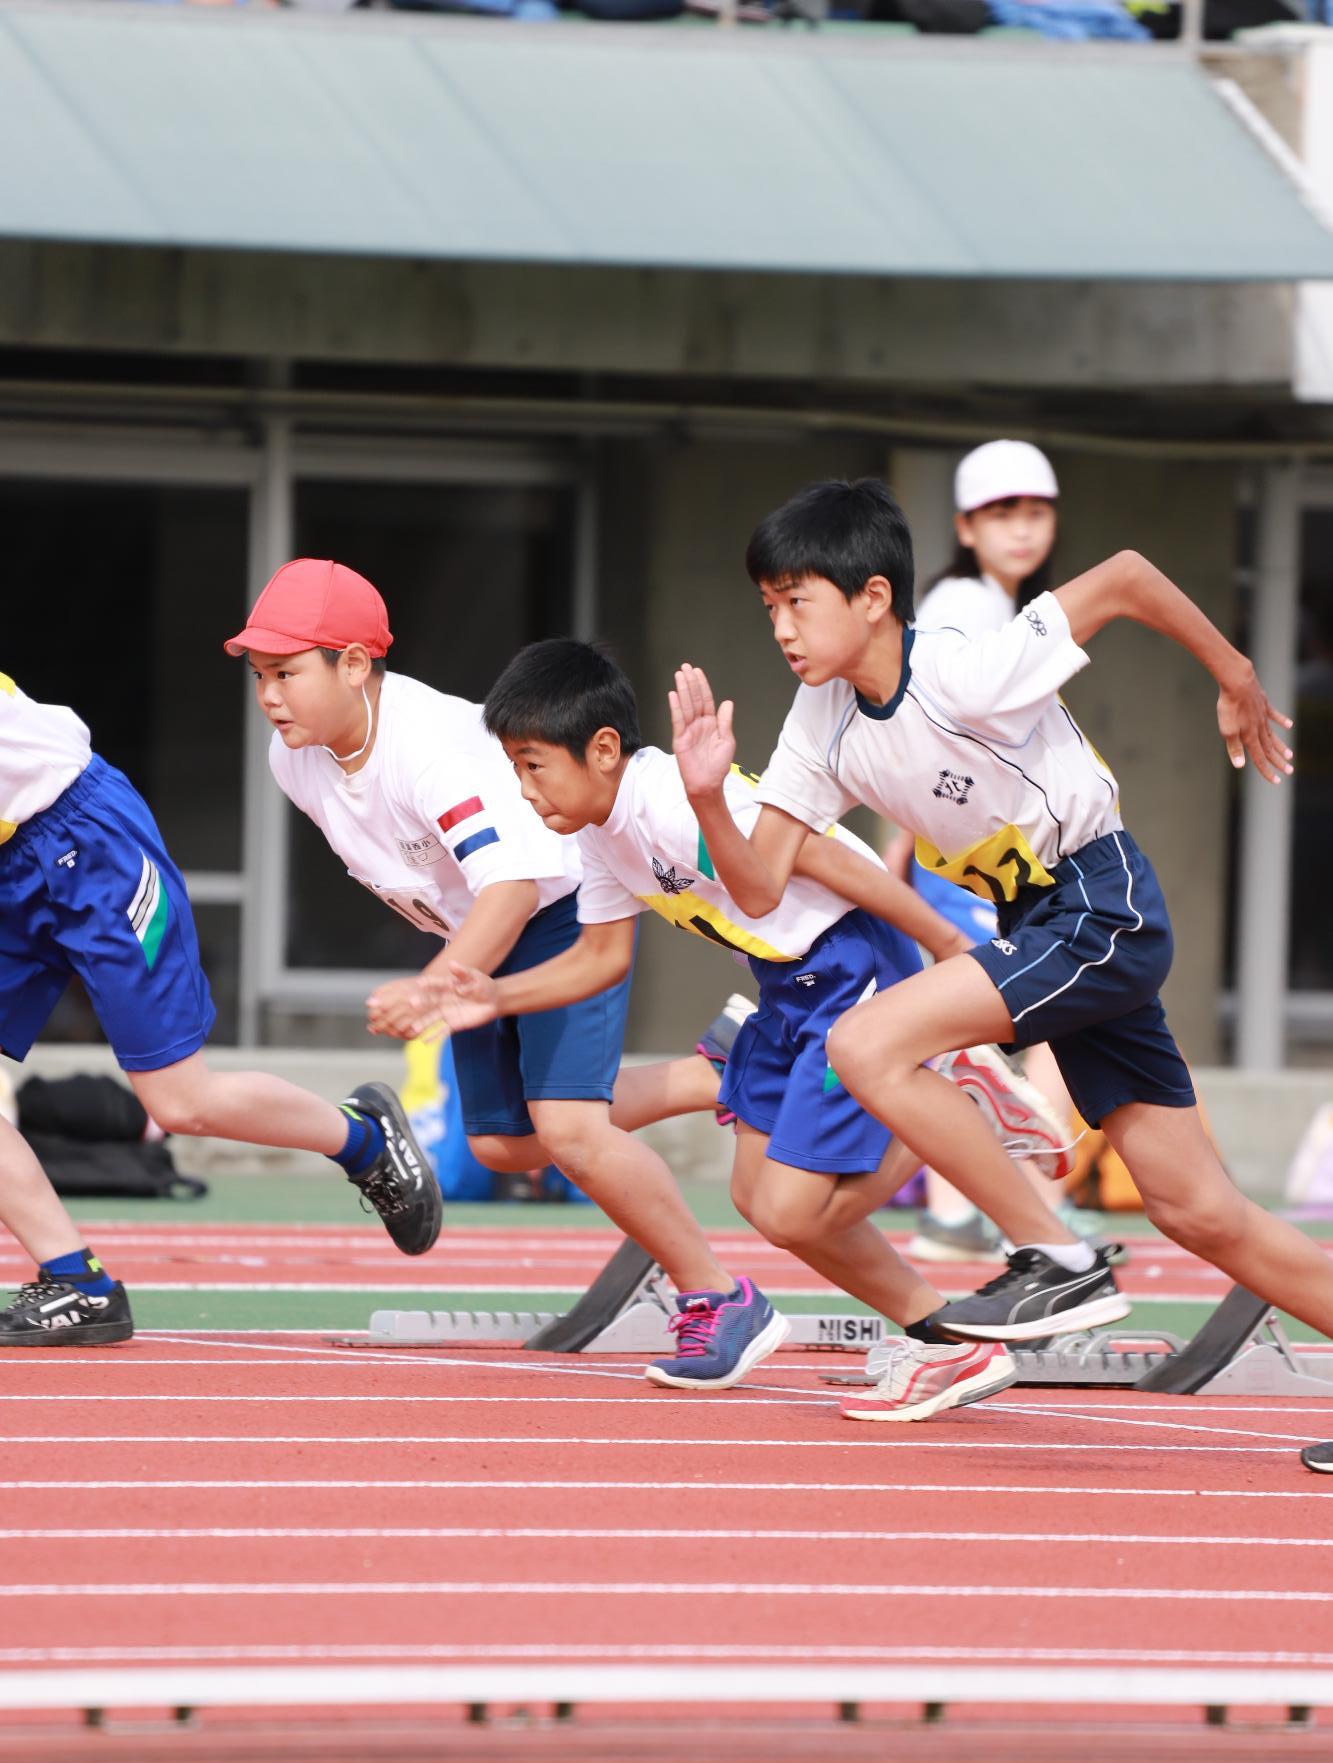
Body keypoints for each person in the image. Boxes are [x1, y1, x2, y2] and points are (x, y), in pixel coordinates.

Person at [671, 476, 1333, 1408]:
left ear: (872, 599)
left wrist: (1234, 676)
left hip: (1101, 902)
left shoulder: (964, 670)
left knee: (868, 1042)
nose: (780, 626)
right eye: (769, 605)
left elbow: (1131, 576)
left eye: (797, 601)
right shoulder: (817, 723)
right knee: (1194, 1208)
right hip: (1044, 927)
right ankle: (1036, 1212)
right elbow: (758, 886)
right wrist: (707, 798)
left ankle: (1055, 1253)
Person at [419, 637, 1090, 1422]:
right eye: (514, 770)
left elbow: (824, 856)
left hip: (851, 969)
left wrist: (945, 949)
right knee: (759, 1202)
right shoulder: (595, 833)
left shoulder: (670, 800)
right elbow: (599, 959)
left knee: (796, 1209)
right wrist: (492, 998)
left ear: (602, 749)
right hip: (786, 990)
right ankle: (949, 1342)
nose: (524, 789)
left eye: (532, 765)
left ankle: (938, 1091)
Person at [230, 557, 795, 1391]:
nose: (269, 694)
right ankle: (719, 1070)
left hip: (555, 911)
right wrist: (454, 969)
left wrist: (440, 983)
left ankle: (718, 1293)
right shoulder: (297, 761)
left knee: (570, 1129)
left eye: (286, 672)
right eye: (257, 674)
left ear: (354, 664)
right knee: (500, 1144)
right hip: (479, 935)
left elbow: (513, 883)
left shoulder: (429, 750)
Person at [0, 674, 441, 1348]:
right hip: (10, 864)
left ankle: (364, 1139)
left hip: (86, 845)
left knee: (180, 1100)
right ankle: (78, 1284)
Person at [905, 439, 1112, 1263]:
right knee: (1058, 1018)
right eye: (1001, 513)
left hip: (965, 850)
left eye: (1034, 511)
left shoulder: (979, 599)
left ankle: (966, 1209)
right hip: (993, 855)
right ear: (964, 525)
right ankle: (1037, 1206)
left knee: (971, 1032)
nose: (1021, 529)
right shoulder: (971, 605)